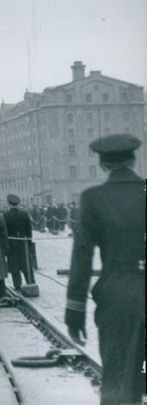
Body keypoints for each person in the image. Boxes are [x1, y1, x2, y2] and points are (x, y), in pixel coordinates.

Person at [65, 134, 145, 405]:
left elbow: (82, 259)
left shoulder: (94, 198)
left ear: (102, 165)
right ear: (134, 159)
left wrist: (74, 312)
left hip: (117, 298)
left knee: (118, 380)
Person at [3, 194, 33, 290]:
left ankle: (17, 285)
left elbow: (4, 231)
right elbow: (29, 230)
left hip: (11, 242)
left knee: (14, 263)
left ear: (9, 203)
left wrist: (5, 244)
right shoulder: (24, 214)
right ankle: (30, 282)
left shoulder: (6, 215)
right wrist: (29, 242)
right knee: (26, 263)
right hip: (23, 242)